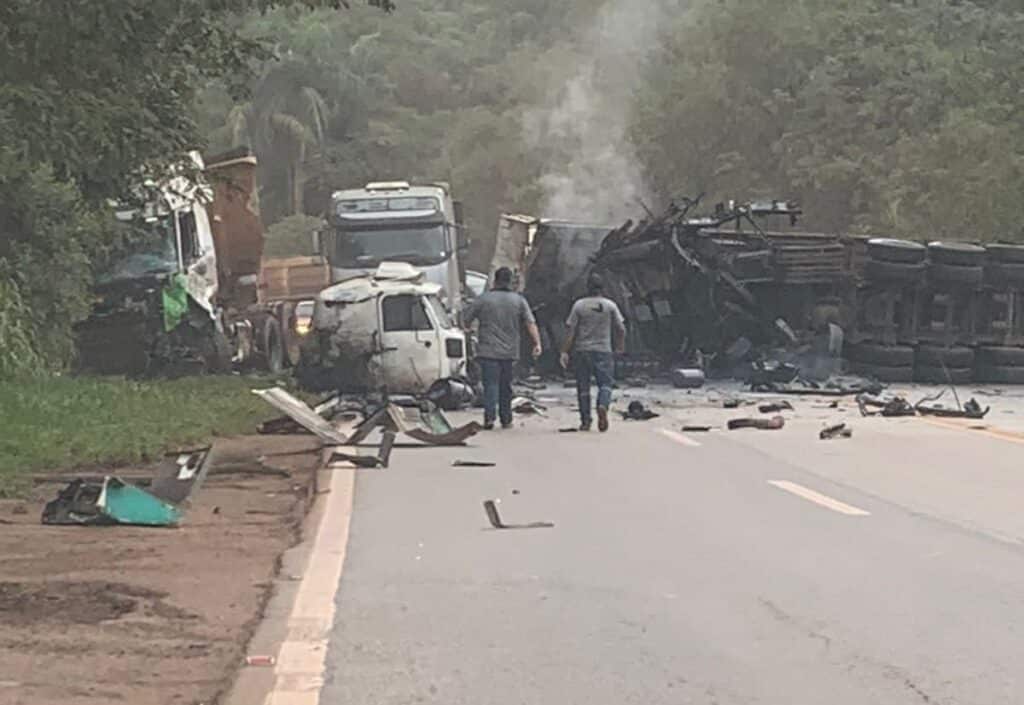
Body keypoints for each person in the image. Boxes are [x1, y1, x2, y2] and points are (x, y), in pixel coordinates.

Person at [463, 267, 542, 429]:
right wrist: (537, 343)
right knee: (506, 386)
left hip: (487, 351)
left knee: (490, 385)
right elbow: (530, 323)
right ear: (510, 281)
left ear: (495, 280)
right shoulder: (518, 300)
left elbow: (465, 320)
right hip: (509, 352)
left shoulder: (483, 299)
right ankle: (506, 419)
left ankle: (489, 418)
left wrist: (469, 333)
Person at [559, 274, 626, 432]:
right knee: (605, 384)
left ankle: (585, 421)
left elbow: (571, 331)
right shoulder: (610, 305)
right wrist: (620, 346)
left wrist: (564, 351)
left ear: (587, 287)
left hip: (582, 351)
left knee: (583, 387)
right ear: (602, 288)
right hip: (603, 350)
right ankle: (602, 405)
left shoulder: (579, 305)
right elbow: (621, 329)